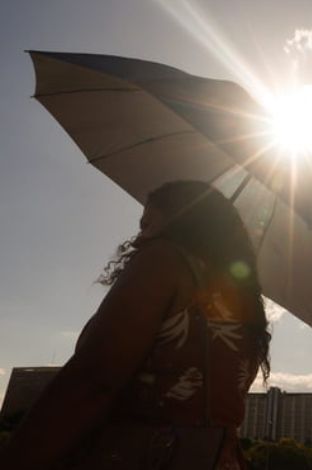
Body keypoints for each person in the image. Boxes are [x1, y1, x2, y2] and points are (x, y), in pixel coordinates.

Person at [0, 181, 270, 470]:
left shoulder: (163, 260)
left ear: (181, 220)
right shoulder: (249, 307)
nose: (140, 238)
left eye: (147, 224)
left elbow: (92, 380)